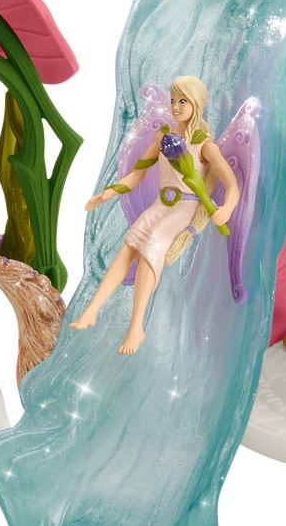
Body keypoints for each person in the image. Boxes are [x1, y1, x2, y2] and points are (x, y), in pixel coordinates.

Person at [70, 75, 240, 355]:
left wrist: (227, 208)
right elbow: (138, 172)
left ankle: (136, 327)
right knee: (129, 247)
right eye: (173, 101)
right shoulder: (163, 137)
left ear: (196, 103)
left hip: (185, 207)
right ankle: (92, 310)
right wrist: (108, 193)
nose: (175, 106)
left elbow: (231, 184)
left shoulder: (205, 145)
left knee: (151, 248)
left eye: (182, 101)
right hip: (161, 204)